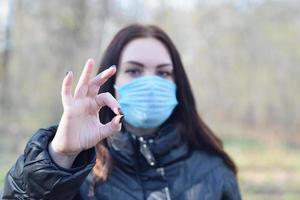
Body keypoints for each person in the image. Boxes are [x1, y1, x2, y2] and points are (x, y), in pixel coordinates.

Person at [2, 24, 242, 200]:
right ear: (112, 82)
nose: (150, 84)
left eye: (163, 73)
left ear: (177, 84)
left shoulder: (214, 172)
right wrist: (60, 157)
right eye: (134, 71)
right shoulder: (79, 173)